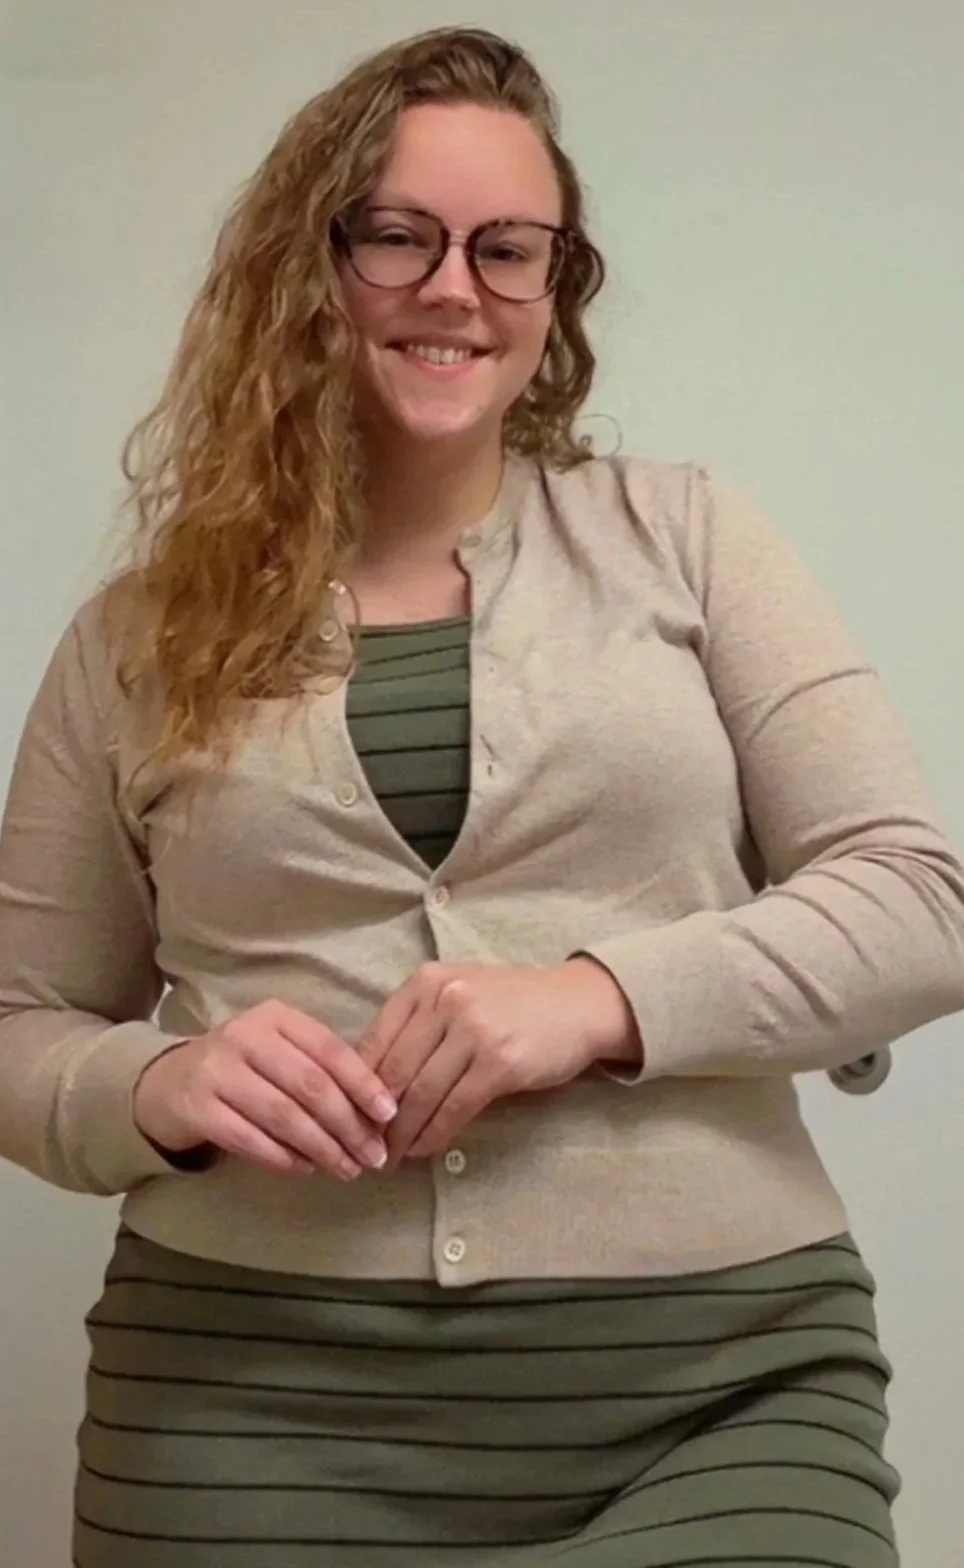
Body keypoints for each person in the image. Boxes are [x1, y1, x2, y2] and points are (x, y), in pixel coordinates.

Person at [0, 25, 961, 1568]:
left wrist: (596, 999)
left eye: (510, 249)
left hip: (718, 1391)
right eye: (399, 236)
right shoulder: (138, 636)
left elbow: (918, 902)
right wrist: (156, 1089)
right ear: (306, 265)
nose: (456, 287)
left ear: (554, 290)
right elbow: (19, 1019)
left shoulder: (690, 541)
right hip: (247, 1403)